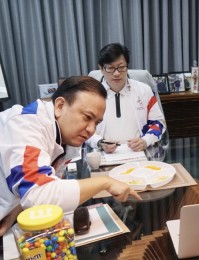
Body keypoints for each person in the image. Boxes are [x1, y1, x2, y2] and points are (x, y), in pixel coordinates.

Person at [0, 76, 141, 236]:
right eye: (87, 117)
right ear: (60, 105)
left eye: (97, 123)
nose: (91, 130)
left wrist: (13, 213)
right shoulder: (24, 126)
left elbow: (36, 189)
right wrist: (104, 182)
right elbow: (38, 195)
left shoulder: (62, 135)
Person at [87, 43, 166, 153]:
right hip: (103, 155)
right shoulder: (90, 95)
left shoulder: (144, 91)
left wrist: (145, 140)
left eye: (121, 67)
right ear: (101, 68)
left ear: (127, 66)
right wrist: (99, 142)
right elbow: (83, 129)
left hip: (140, 154)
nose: (116, 73)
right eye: (110, 68)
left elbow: (158, 123)